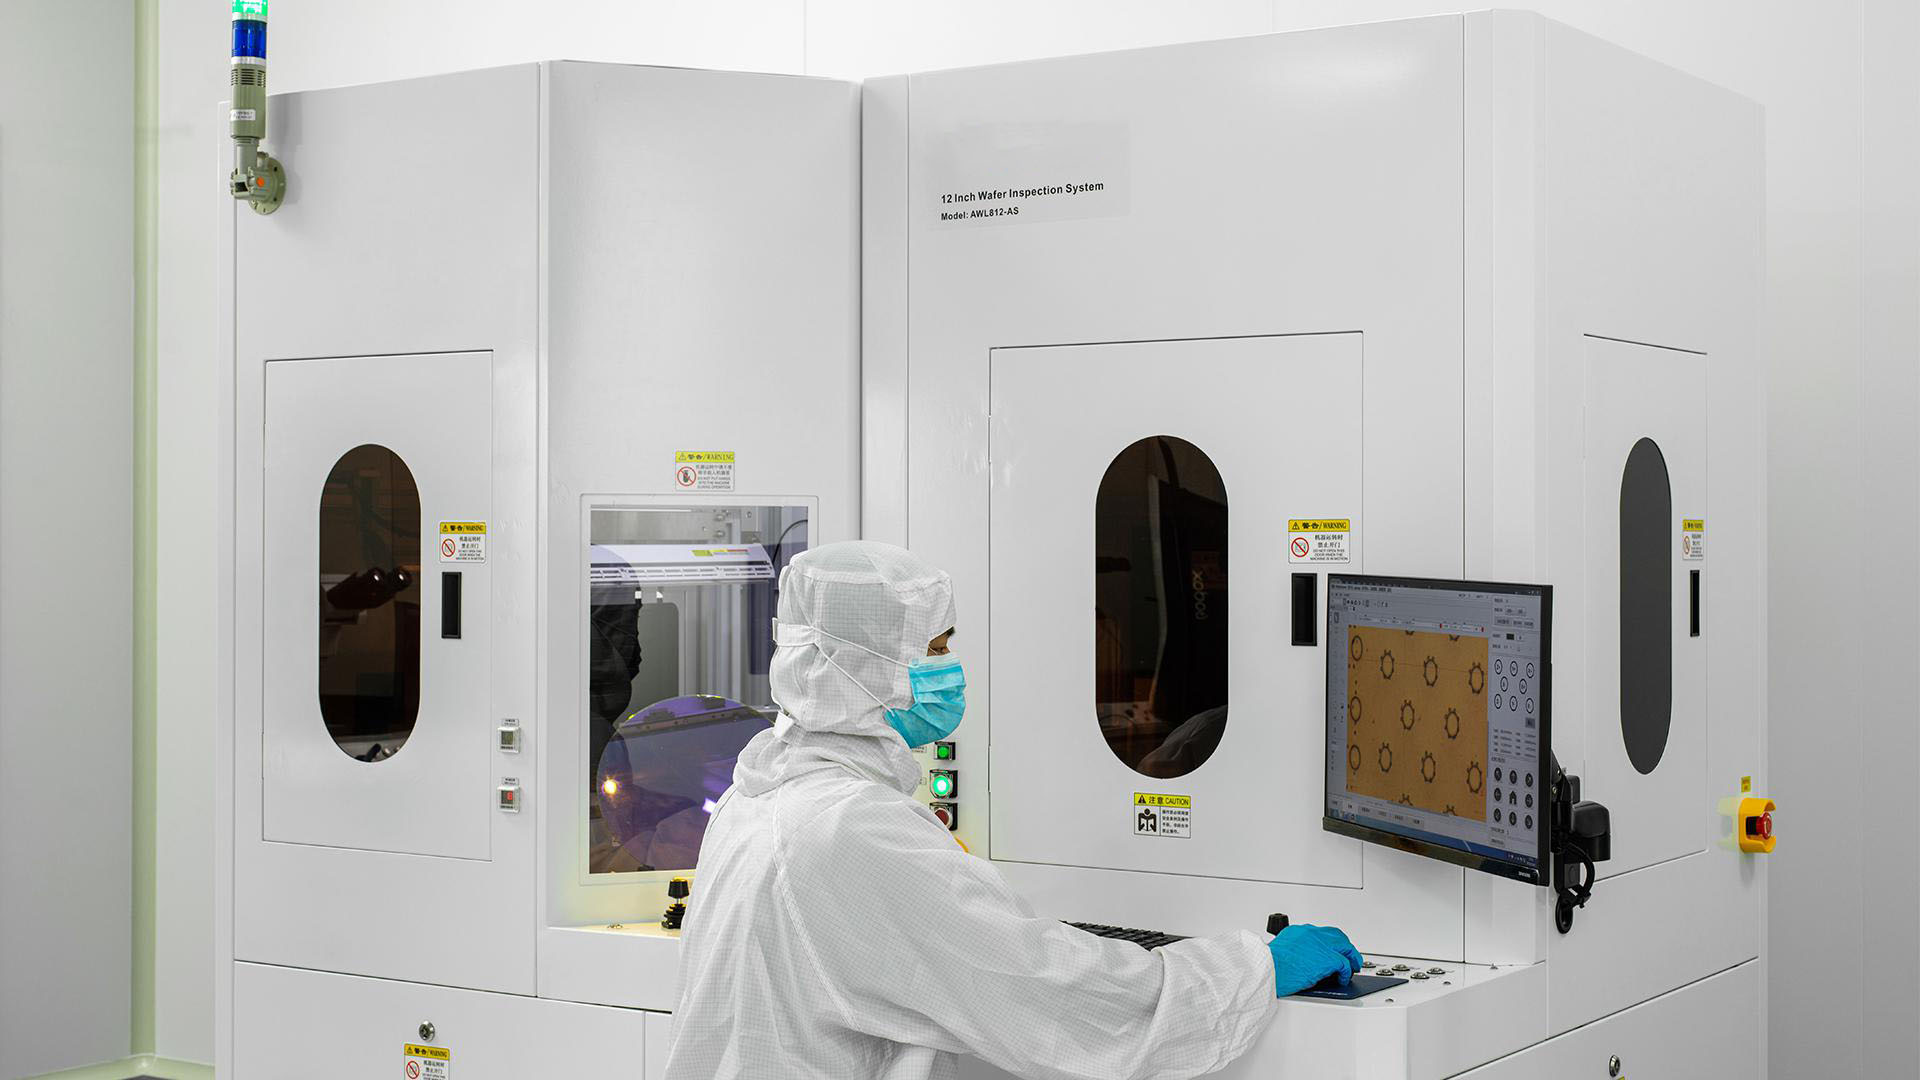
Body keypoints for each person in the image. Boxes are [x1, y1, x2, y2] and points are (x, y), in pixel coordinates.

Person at [665, 541, 1362, 1080]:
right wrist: (1252, 970)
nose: (950, 666)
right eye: (935, 648)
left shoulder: (756, 796)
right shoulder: (851, 830)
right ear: (863, 667)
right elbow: (1052, 994)